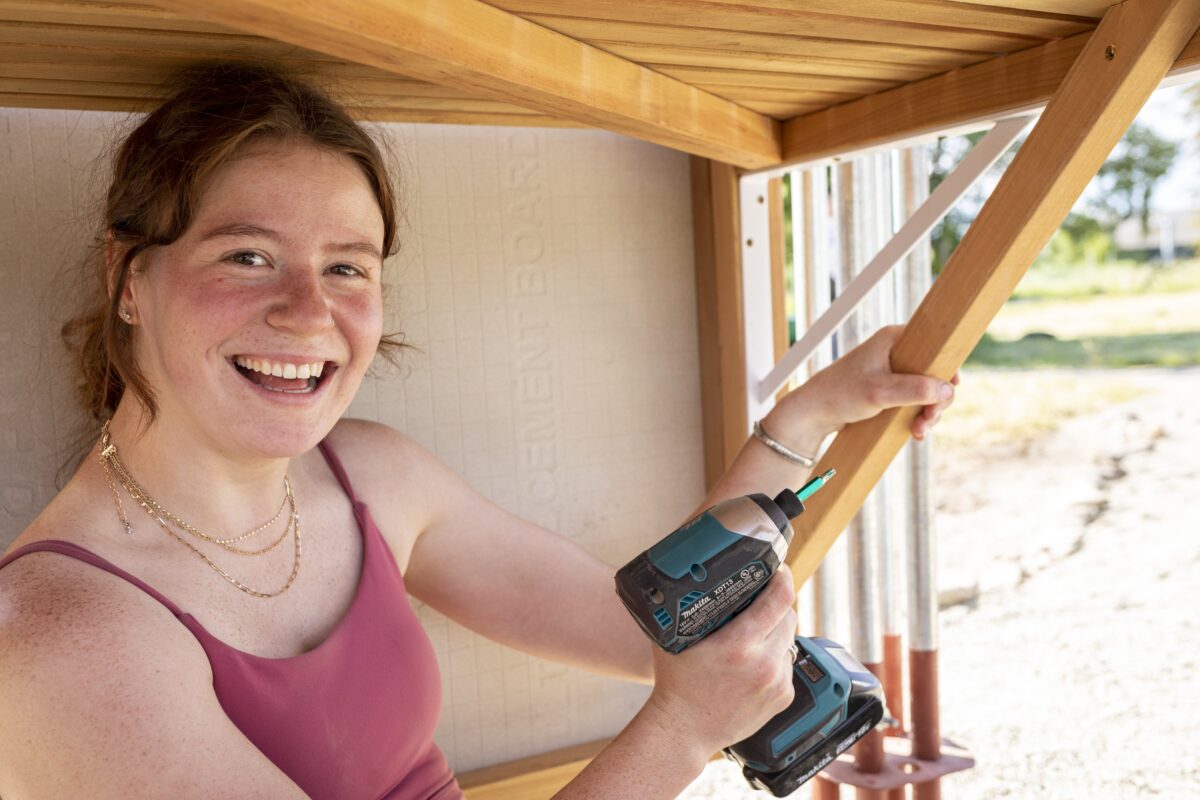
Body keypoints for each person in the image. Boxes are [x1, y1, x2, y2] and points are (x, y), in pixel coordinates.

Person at [0, 62, 957, 800]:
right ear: (130, 278)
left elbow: (654, 626)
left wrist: (807, 418)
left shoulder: (372, 476)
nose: (306, 313)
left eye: (347, 268)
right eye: (247, 256)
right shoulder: (60, 640)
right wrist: (676, 734)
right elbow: (678, 687)